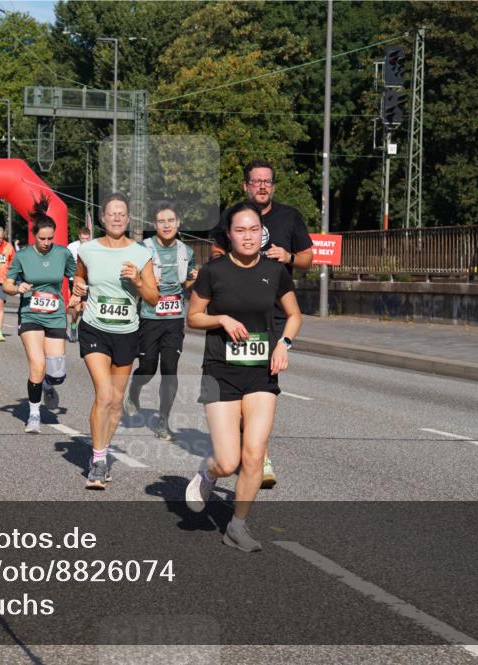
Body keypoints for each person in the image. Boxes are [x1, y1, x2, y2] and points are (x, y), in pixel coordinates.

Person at [185, 202, 303, 552]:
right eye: (240, 230)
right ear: (229, 234)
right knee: (228, 461)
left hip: (261, 374)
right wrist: (220, 319)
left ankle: (237, 526)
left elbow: (294, 314)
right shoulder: (213, 271)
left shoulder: (274, 270)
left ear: (261, 233)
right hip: (219, 371)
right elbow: (193, 317)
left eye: (254, 230)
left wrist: (284, 344)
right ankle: (207, 472)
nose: (248, 236)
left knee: (253, 456)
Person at [212, 159, 314, 489]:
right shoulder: (233, 216)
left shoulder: (289, 216)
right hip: (238, 310)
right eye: (256, 181)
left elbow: (308, 259)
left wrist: (289, 258)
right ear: (246, 186)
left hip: (275, 313)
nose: (262, 186)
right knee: (242, 382)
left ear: (273, 186)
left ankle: (258, 452)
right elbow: (215, 250)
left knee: (263, 382)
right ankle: (252, 450)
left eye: (267, 181)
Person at [71, 193, 159, 489]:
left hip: (127, 332)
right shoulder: (88, 250)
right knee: (105, 395)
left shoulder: (140, 253)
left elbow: (154, 298)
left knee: (117, 402)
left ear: (129, 219)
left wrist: (137, 281)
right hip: (94, 328)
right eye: (112, 213)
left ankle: (103, 451)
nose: (117, 218)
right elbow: (79, 280)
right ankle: (97, 462)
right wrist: (77, 292)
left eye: (122, 213)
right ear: (102, 218)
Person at [123, 202, 198, 440]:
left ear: (178, 223)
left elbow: (184, 284)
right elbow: (127, 279)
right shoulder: (143, 248)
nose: (167, 225)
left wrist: (194, 279)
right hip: (149, 316)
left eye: (171, 221)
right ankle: (134, 390)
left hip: (174, 318)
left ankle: (163, 421)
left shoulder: (187, 252)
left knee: (169, 369)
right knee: (147, 368)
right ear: (154, 225)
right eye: (162, 221)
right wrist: (141, 280)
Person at [3, 197, 76, 433]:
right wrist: (17, 288)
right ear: (34, 235)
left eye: (50, 238)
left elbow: (76, 276)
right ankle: (33, 415)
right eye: (42, 238)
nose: (46, 243)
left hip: (55, 315)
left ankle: (48, 384)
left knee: (57, 373)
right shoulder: (23, 256)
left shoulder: (63, 254)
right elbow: (7, 284)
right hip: (30, 314)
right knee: (37, 364)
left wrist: (78, 292)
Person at [65, 225, 92, 343]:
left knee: (86, 308)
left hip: (88, 280)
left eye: (87, 239)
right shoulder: (72, 247)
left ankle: (85, 331)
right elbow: (66, 262)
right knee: (76, 308)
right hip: (75, 279)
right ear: (79, 237)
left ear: (89, 237)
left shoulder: (94, 247)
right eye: (83, 239)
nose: (85, 241)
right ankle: (74, 326)